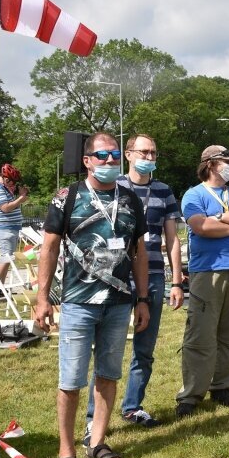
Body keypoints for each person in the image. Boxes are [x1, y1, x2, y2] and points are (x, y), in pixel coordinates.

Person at [35, 132, 150, 458]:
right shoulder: (66, 197)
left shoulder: (130, 200)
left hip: (118, 304)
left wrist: (141, 299)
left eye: (114, 154)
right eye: (102, 156)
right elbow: (49, 247)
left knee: (108, 374)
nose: (110, 160)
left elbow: (139, 251)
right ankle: (66, 450)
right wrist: (43, 299)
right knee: (71, 381)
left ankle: (97, 443)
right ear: (87, 161)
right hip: (77, 303)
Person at [82, 134, 184, 442]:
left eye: (153, 151)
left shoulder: (164, 190)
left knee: (145, 348)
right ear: (128, 154)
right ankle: (92, 418)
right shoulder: (115, 186)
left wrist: (176, 281)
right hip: (116, 276)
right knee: (106, 351)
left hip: (152, 276)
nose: (149, 156)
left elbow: (173, 239)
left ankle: (132, 406)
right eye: (144, 151)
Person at [176, 145, 229, 418]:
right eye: (226, 161)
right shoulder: (194, 194)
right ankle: (190, 395)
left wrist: (222, 217)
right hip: (206, 272)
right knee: (200, 335)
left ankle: (222, 387)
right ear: (211, 164)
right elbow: (202, 226)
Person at [0, 163, 29, 284]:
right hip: (3, 229)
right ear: (6, 179)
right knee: (5, 258)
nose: (14, 185)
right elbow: (5, 208)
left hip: (10, 228)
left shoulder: (4, 188)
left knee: (7, 259)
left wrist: (20, 196)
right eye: (13, 182)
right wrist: (20, 199)